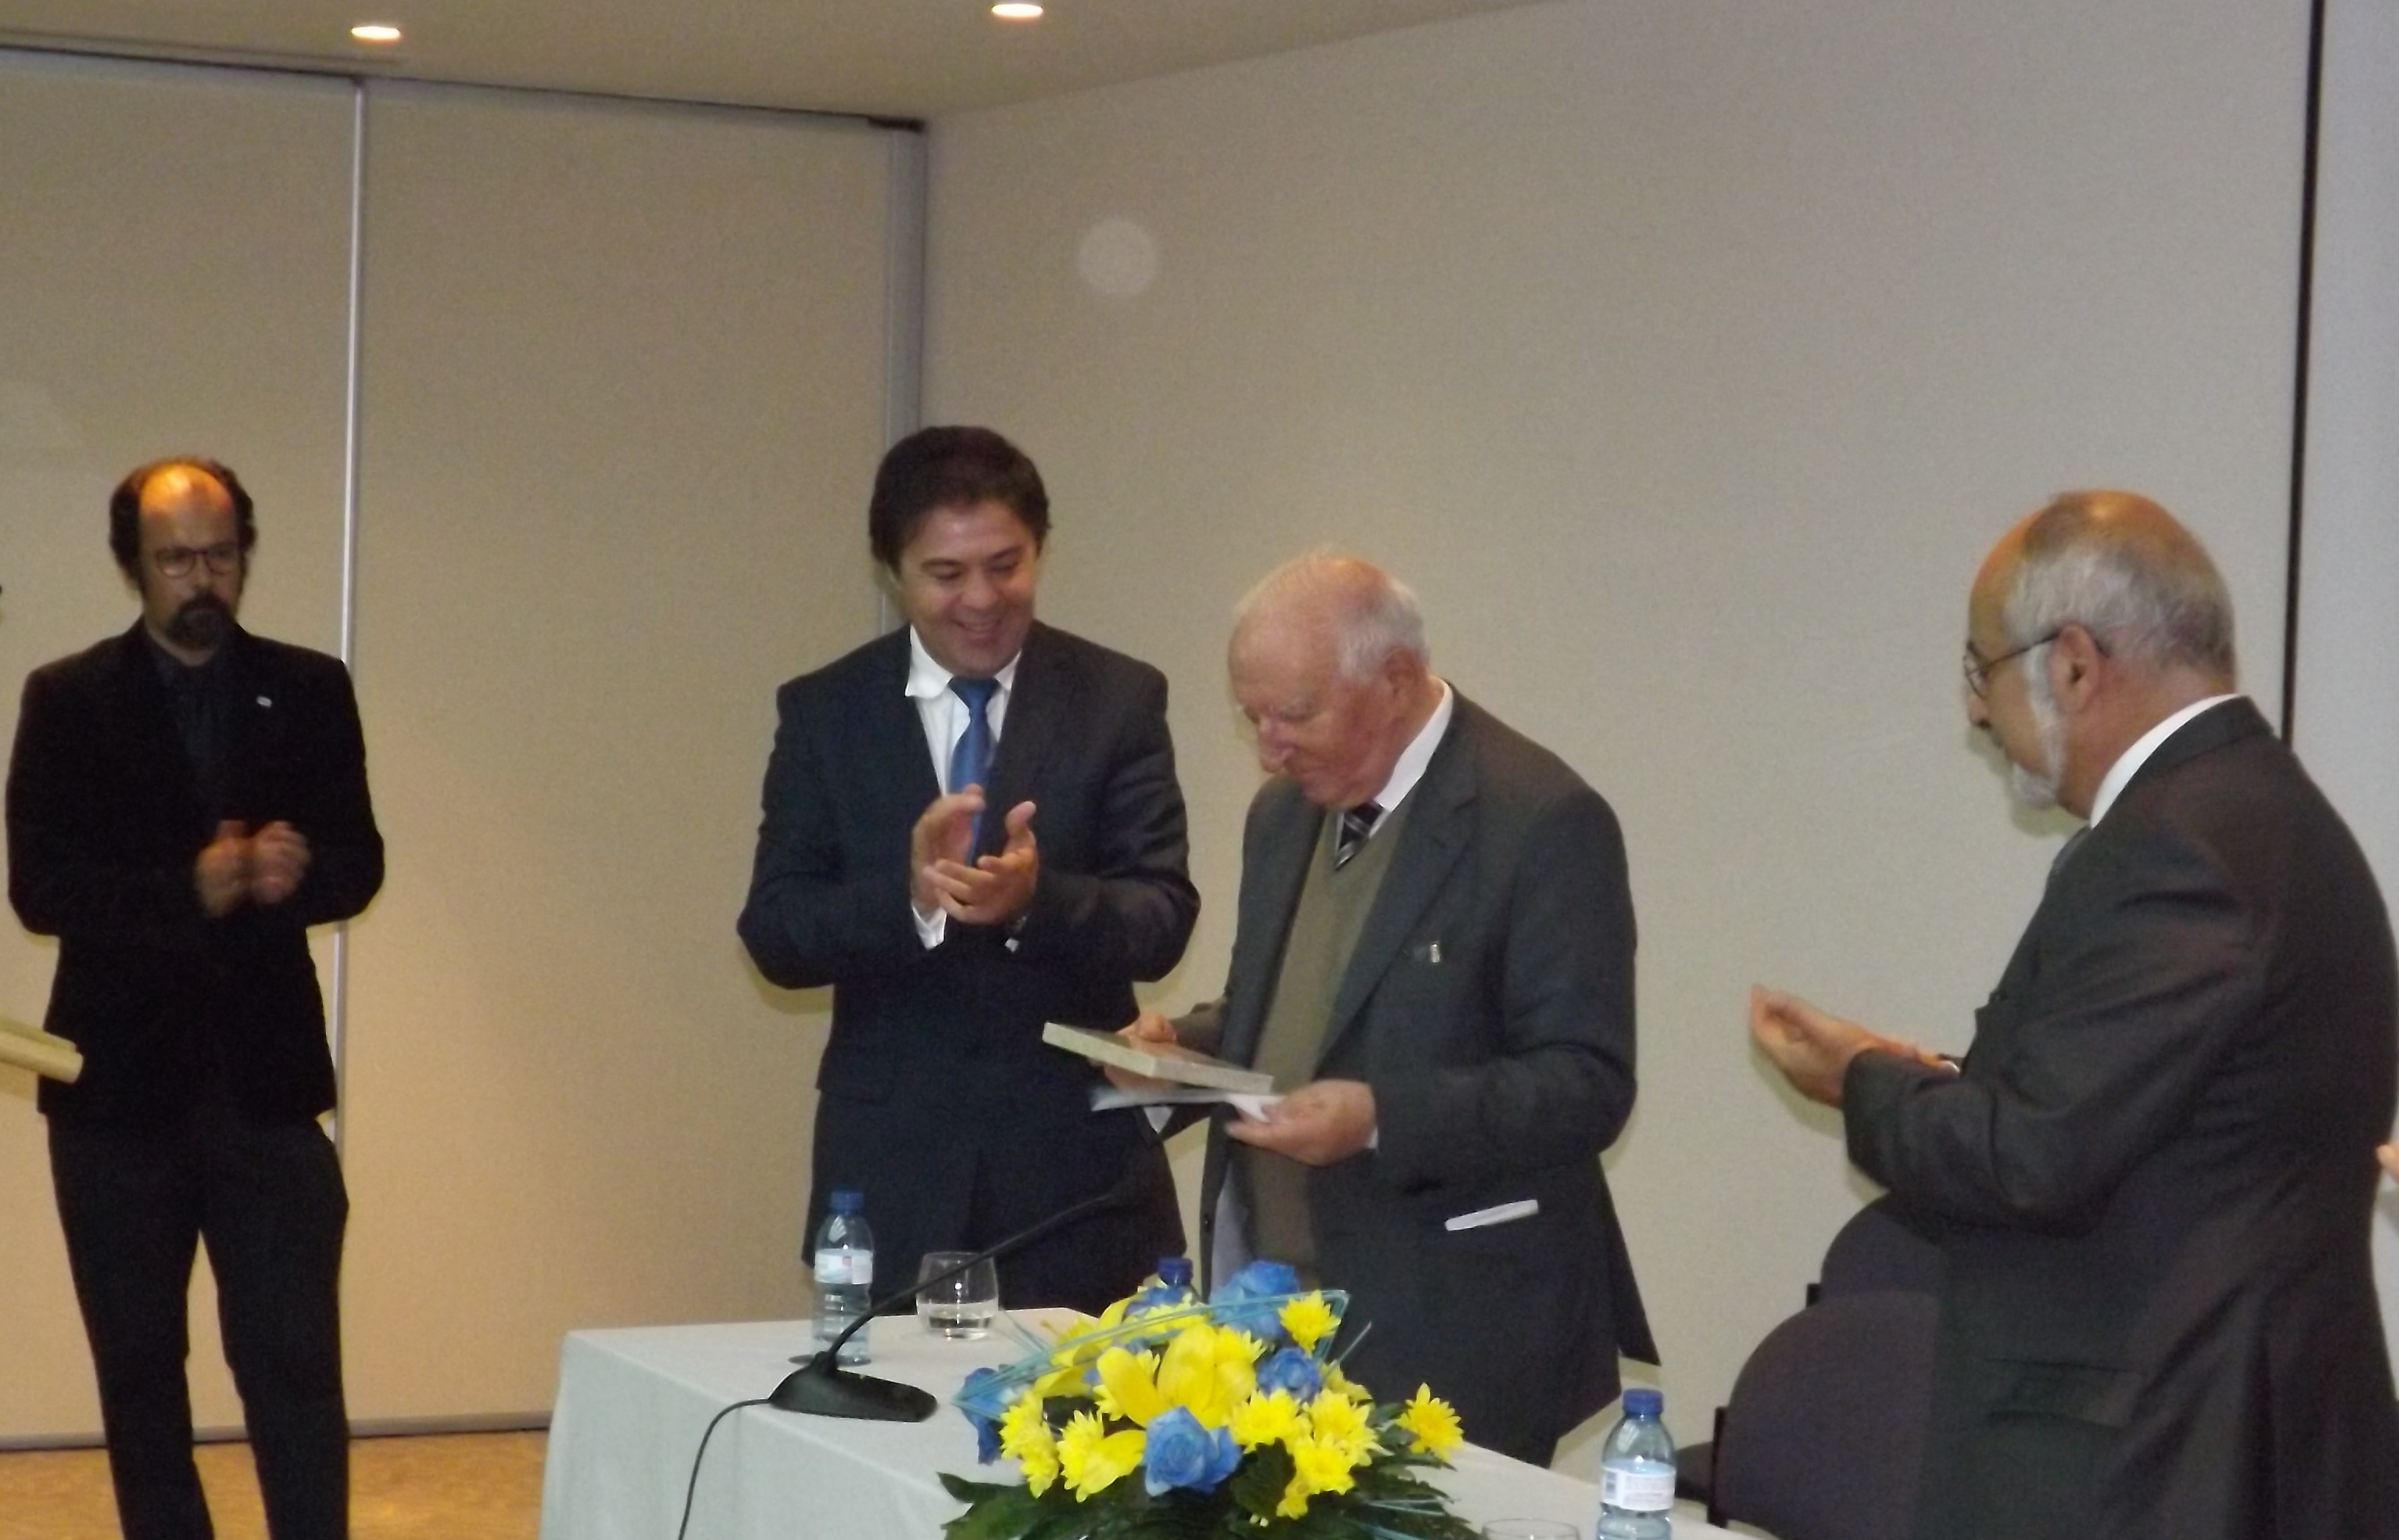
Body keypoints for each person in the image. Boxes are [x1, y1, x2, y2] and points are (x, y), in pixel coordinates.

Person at [1751, 491, 2399, 1540]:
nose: (1975, 712)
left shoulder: (2182, 845)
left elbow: (2036, 1160)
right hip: (2206, 1437)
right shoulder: (2253, 811)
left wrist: (1860, 1082)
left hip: (2163, 1462)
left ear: (2075, 665)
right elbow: (2127, 1122)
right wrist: (1929, 1083)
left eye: (1982, 671)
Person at [1121, 553, 1653, 1465]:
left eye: (1295, 715)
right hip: (1274, 1315)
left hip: (1453, 1330)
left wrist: (1380, 1118)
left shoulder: (1540, 820)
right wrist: (1182, 1052)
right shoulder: (1283, 815)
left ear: (1397, 680)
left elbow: (1586, 1083)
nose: (1269, 749)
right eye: (1253, 717)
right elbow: (1286, 1006)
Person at [7, 458, 383, 1540]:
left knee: (295, 1364)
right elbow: (41, 889)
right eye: (177, 560)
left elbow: (360, 863)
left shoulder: (309, 688)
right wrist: (191, 887)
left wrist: (292, 875)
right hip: (116, 1099)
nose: (202, 579)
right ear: (133, 565)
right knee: (139, 1374)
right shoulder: (67, 698)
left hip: (267, 1091)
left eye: (220, 555)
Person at [737, 425, 1193, 1314]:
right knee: (883, 1405)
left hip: (1077, 1180)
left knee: (1087, 1408)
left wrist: (1036, 901)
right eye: (946, 574)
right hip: (892, 1176)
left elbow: (1162, 914)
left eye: (1005, 566)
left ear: (1039, 552)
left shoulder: (1117, 699)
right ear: (894, 573)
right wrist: (910, 900)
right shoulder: (827, 712)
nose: (981, 599)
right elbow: (776, 932)